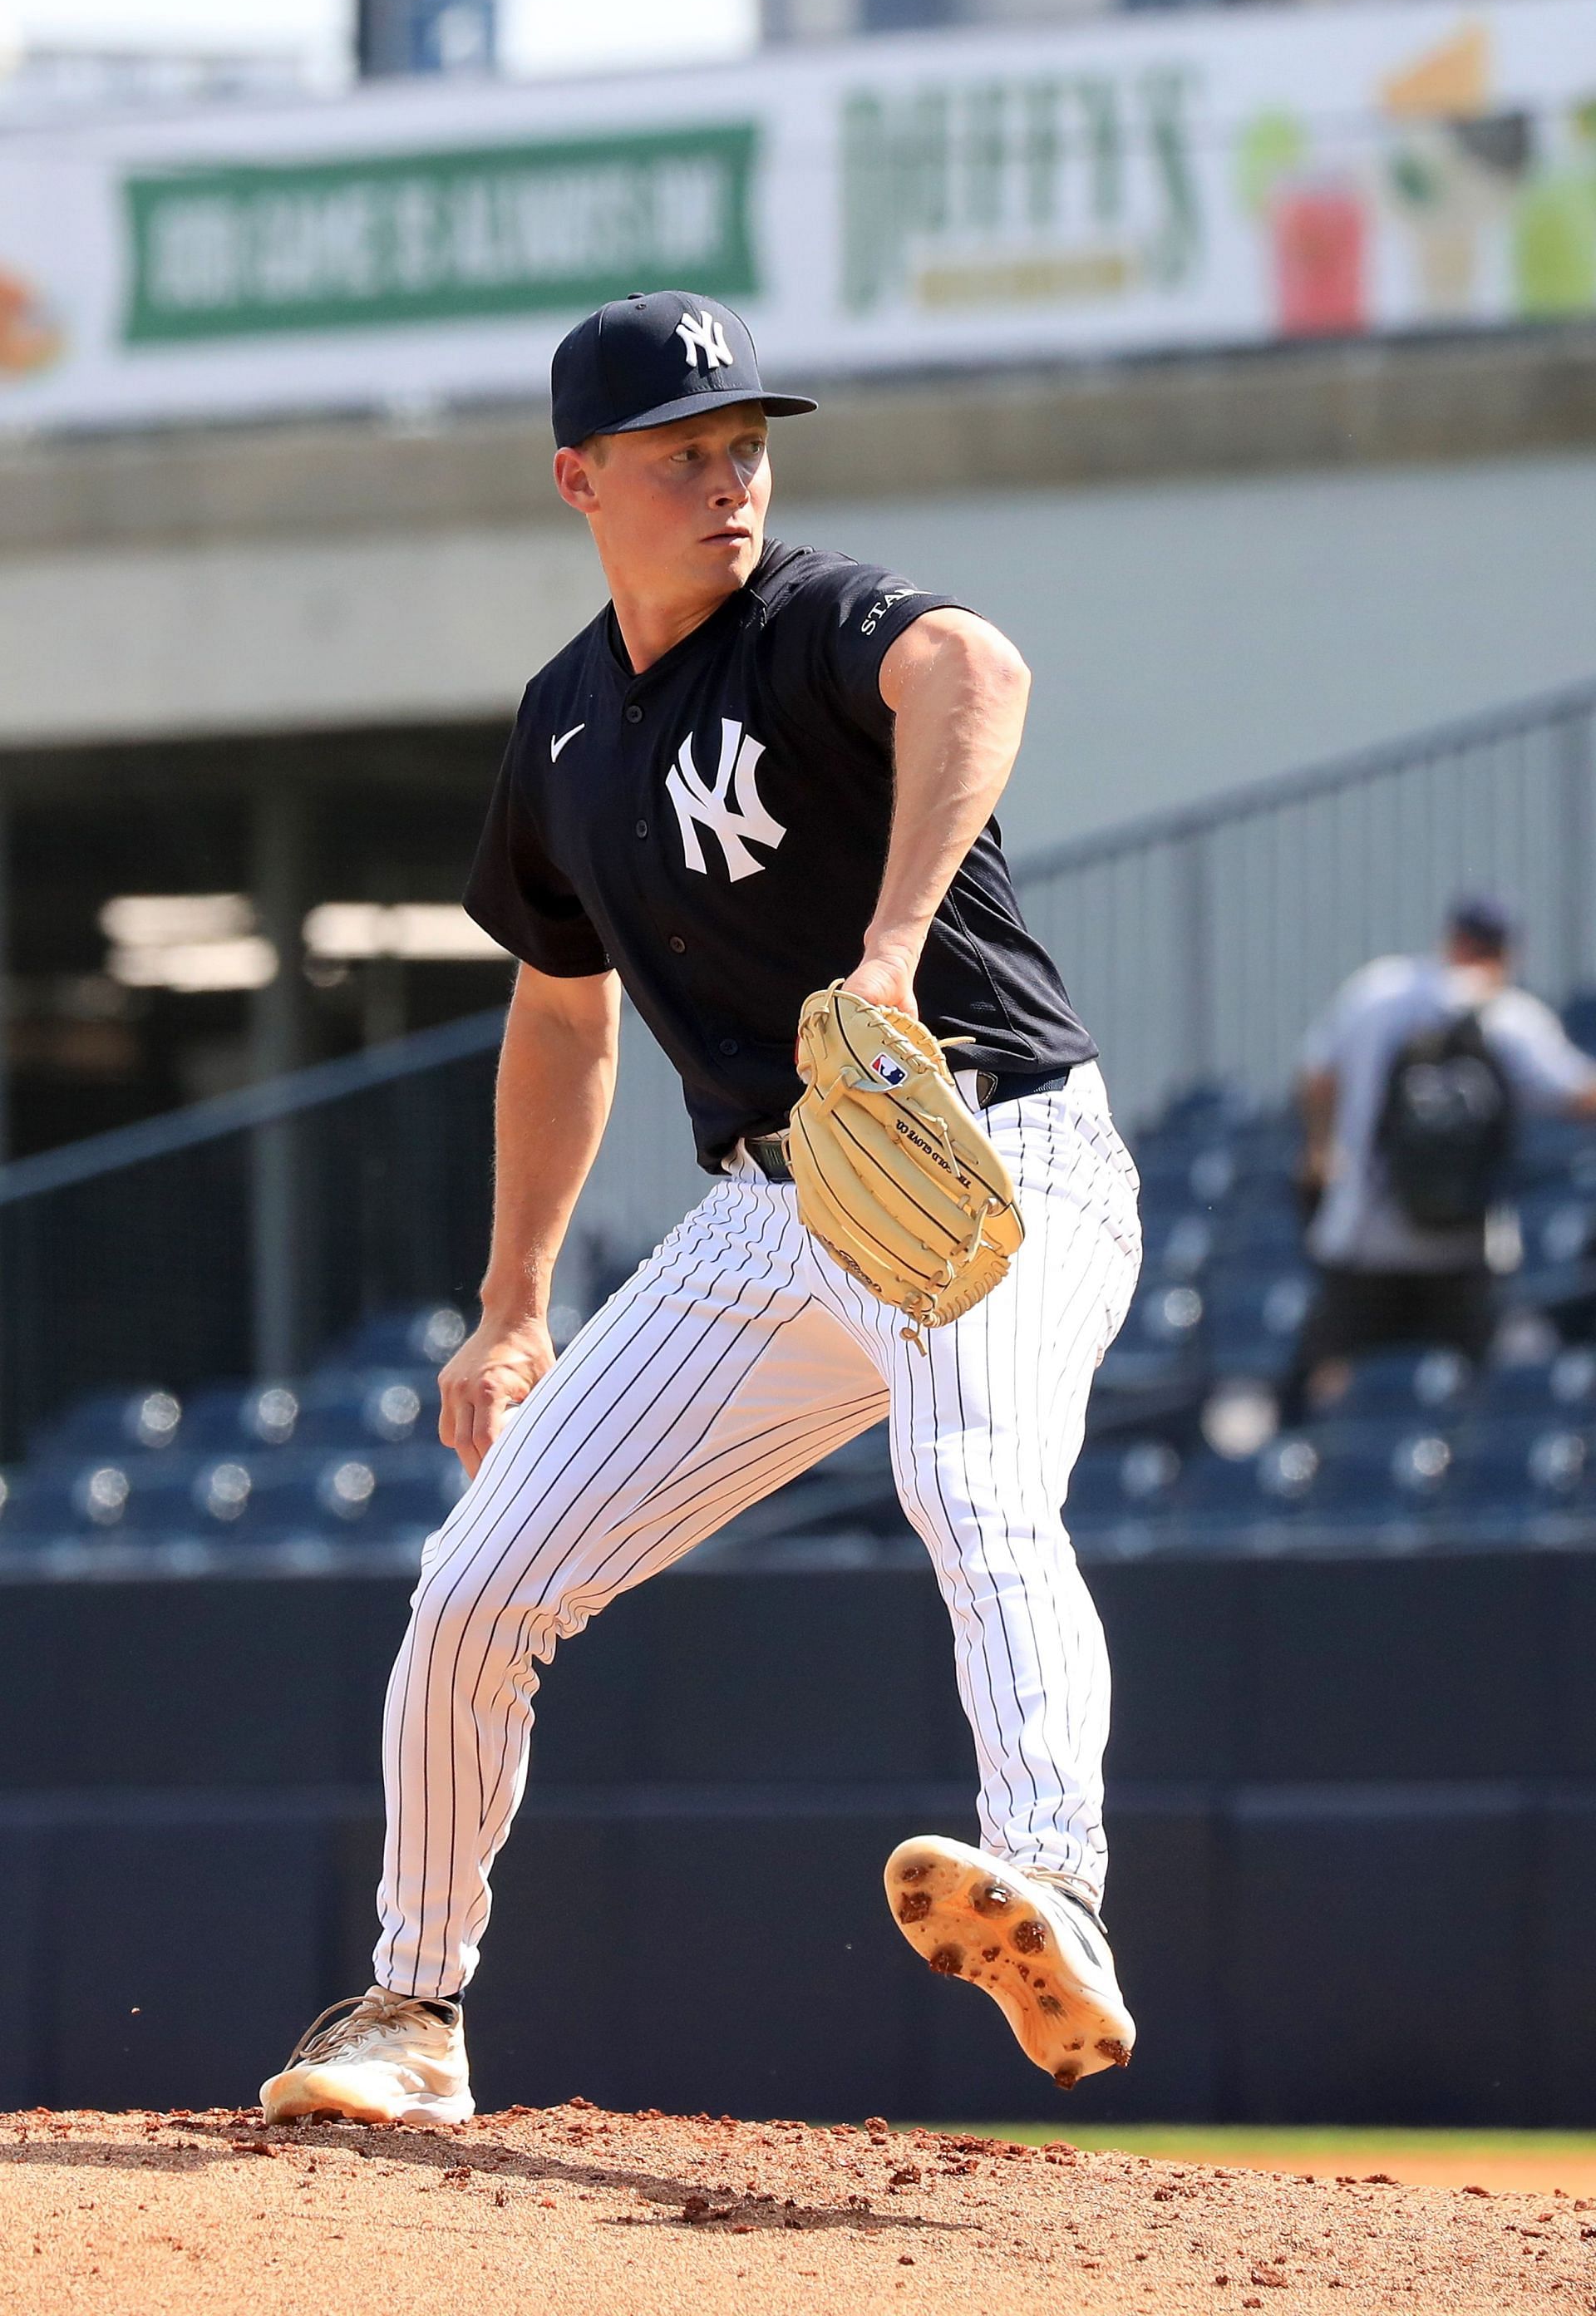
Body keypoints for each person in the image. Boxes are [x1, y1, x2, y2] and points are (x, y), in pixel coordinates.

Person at [259, 290, 1143, 2127]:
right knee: (476, 1588)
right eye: (682, 453)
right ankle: (413, 2014)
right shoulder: (564, 728)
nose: (728, 478)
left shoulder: (816, 621)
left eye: (746, 445)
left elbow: (977, 674)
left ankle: (1051, 1876)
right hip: (769, 1211)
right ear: (582, 478)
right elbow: (559, 1010)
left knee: (972, 1481)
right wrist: (512, 1299)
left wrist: (892, 952)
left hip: (986, 1151)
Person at [1291, 894, 1596, 1412]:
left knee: (1321, 1392)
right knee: (1480, 1401)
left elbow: (1316, 1077)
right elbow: (1579, 1095)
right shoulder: (1509, 1013)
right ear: (1503, 952)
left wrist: (1320, 1153)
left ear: (1451, 939)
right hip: (1465, 1244)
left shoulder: (1376, 989)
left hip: (1366, 1233)